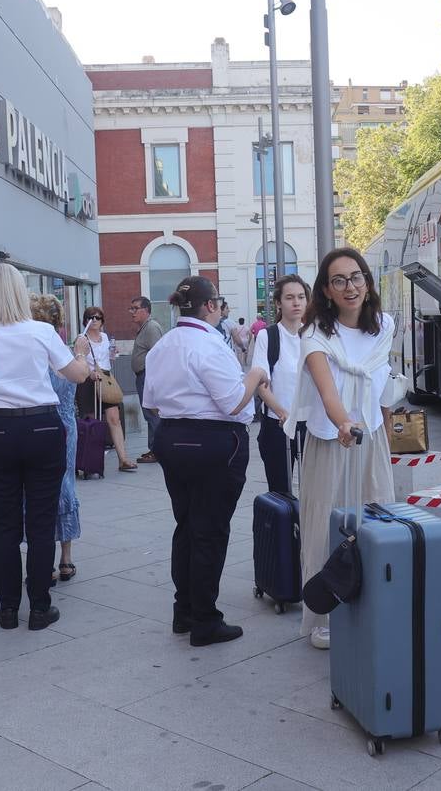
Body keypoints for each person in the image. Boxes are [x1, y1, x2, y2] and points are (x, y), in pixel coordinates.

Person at [0, 263, 91, 631]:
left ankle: (7, 608)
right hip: (42, 426)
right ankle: (40, 607)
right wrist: (80, 354)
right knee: (41, 520)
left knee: (4, 523)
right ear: (19, 292)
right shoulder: (41, 331)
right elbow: (76, 375)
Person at [142, 276, 270, 647]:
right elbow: (233, 400)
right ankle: (205, 619)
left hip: (171, 438)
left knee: (186, 525)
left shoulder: (163, 345)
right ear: (210, 306)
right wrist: (255, 375)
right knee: (209, 531)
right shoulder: (209, 345)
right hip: (212, 442)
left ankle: (184, 610)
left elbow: (150, 401)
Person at [285, 248, 396, 649]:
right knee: (323, 529)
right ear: (327, 291)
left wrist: (381, 423)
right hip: (332, 441)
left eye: (356, 277)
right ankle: (322, 615)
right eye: (339, 280)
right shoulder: (315, 335)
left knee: (379, 522)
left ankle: (376, 604)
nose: (350, 287)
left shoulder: (384, 327)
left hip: (372, 440)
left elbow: (381, 385)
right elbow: (328, 392)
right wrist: (344, 423)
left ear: (367, 281)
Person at [31, 294, 82, 583]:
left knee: (38, 491)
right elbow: (79, 378)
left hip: (41, 424)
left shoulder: (33, 352)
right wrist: (82, 355)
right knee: (65, 485)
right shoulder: (63, 352)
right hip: (65, 424)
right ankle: (66, 558)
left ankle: (47, 561)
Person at [252, 275, 310, 497]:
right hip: (278, 425)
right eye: (289, 297)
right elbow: (261, 382)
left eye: (301, 297)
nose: (296, 302)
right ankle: (284, 531)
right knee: (280, 491)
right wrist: (282, 412)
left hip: (310, 425)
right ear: (278, 302)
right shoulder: (268, 336)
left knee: (314, 490)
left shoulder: (314, 334)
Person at [74, 305, 136, 472]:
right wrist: (90, 373)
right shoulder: (82, 338)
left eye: (98, 317)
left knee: (114, 418)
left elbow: (108, 359)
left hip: (106, 378)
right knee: (92, 421)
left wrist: (113, 354)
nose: (94, 320)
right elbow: (78, 360)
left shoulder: (105, 337)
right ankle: (91, 460)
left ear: (102, 321)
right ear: (85, 321)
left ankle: (123, 459)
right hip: (88, 380)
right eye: (90, 317)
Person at [129, 295, 164, 464]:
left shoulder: (151, 327)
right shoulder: (144, 327)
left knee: (152, 414)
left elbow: (158, 355)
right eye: (131, 308)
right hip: (143, 376)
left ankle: (159, 450)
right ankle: (154, 449)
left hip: (148, 377)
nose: (132, 312)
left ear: (146, 310)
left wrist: (153, 380)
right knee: (149, 415)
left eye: (135, 308)